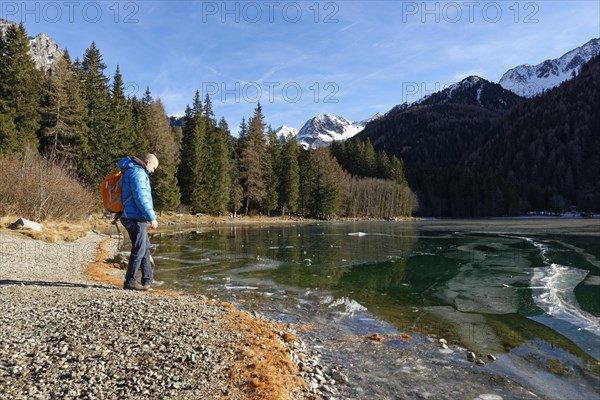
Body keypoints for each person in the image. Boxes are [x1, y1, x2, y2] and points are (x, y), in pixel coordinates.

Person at [117, 154, 163, 291]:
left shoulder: (133, 171)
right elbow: (141, 198)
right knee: (139, 248)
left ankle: (148, 279)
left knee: (145, 247)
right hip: (134, 216)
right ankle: (130, 281)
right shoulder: (138, 173)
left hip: (131, 215)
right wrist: (152, 217)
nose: (153, 171)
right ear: (148, 162)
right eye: (154, 167)